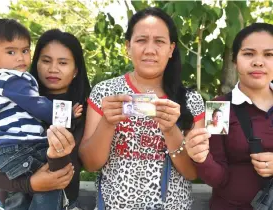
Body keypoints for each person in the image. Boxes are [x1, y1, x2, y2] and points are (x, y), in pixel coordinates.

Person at [79, 7, 205, 209]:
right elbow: (91, 163)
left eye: (159, 41)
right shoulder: (106, 92)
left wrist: (171, 130)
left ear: (171, 49)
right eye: (141, 40)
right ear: (128, 46)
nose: (149, 50)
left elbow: (192, 172)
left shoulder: (190, 101)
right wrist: (108, 123)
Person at [0, 27, 91, 210]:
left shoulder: (80, 110)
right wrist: (29, 184)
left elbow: (72, 165)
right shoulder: (10, 97)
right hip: (10, 201)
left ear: (76, 70)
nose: (53, 69)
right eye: (46, 60)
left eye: (62, 63)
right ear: (36, 62)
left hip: (61, 202)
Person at [185, 23, 273, 210]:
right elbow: (218, 178)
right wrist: (201, 158)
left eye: (269, 54)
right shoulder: (219, 107)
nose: (258, 62)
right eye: (248, 54)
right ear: (235, 60)